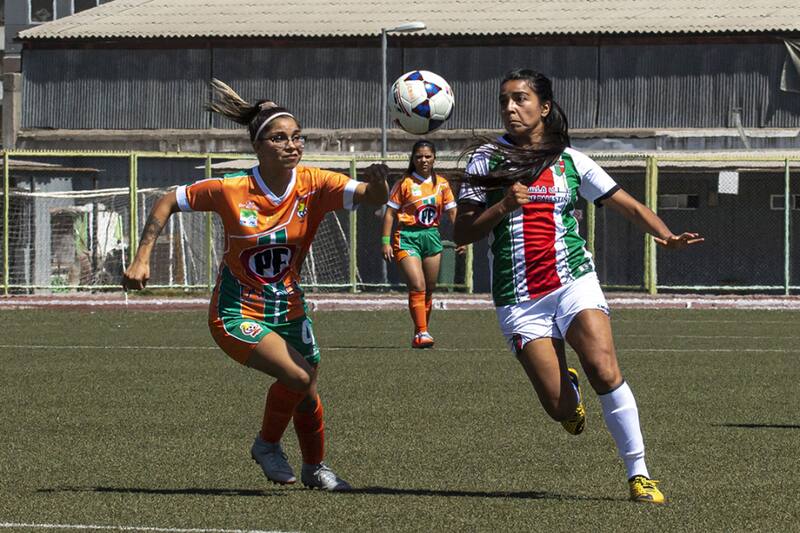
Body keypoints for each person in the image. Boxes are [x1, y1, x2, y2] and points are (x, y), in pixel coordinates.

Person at [122, 79, 389, 491]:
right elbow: (167, 200)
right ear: (258, 147)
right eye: (280, 138)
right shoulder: (231, 190)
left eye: (298, 137)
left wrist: (380, 183)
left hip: (289, 308)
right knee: (299, 378)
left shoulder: (316, 183)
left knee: (307, 386)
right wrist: (141, 258)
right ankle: (266, 445)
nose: (292, 145)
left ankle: (315, 469)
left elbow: (371, 196)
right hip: (235, 312)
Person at [454, 69, 703, 504]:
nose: (510, 108)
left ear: (544, 107)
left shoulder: (571, 160)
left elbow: (627, 204)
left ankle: (639, 473)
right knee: (559, 409)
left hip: (573, 280)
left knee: (604, 368)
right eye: (504, 101)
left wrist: (665, 235)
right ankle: (567, 394)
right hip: (519, 298)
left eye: (520, 99)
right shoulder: (486, 161)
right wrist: (504, 206)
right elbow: (463, 233)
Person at [381, 140, 460, 348]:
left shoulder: (442, 184)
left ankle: (421, 331)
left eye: (427, 156)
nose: (423, 160)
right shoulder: (404, 183)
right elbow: (390, 214)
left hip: (431, 236)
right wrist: (385, 242)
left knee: (429, 289)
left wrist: (463, 238)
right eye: (418, 157)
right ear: (412, 159)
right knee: (418, 285)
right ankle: (422, 332)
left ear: (434, 158)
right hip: (407, 236)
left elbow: (453, 212)